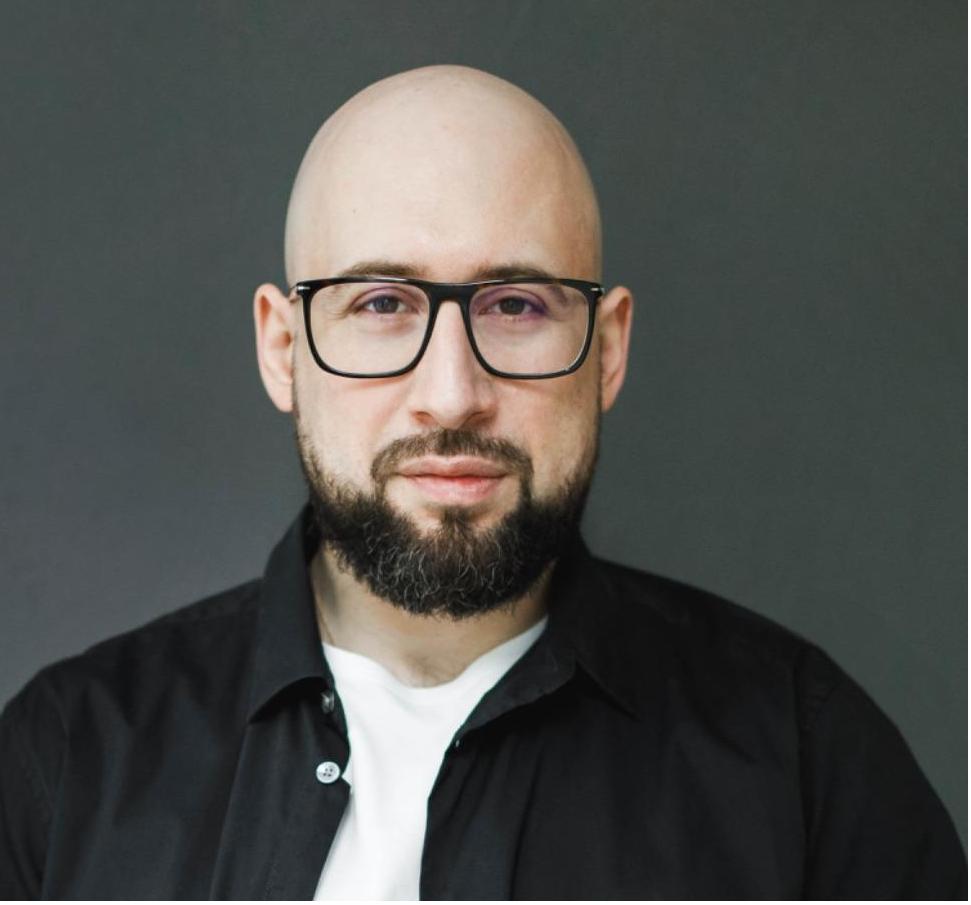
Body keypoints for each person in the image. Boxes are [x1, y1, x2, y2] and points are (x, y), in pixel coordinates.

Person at [0, 65, 964, 900]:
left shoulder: (806, 764)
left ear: (608, 349)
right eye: (382, 302)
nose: (451, 395)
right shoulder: (65, 759)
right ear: (283, 348)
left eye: (516, 305)